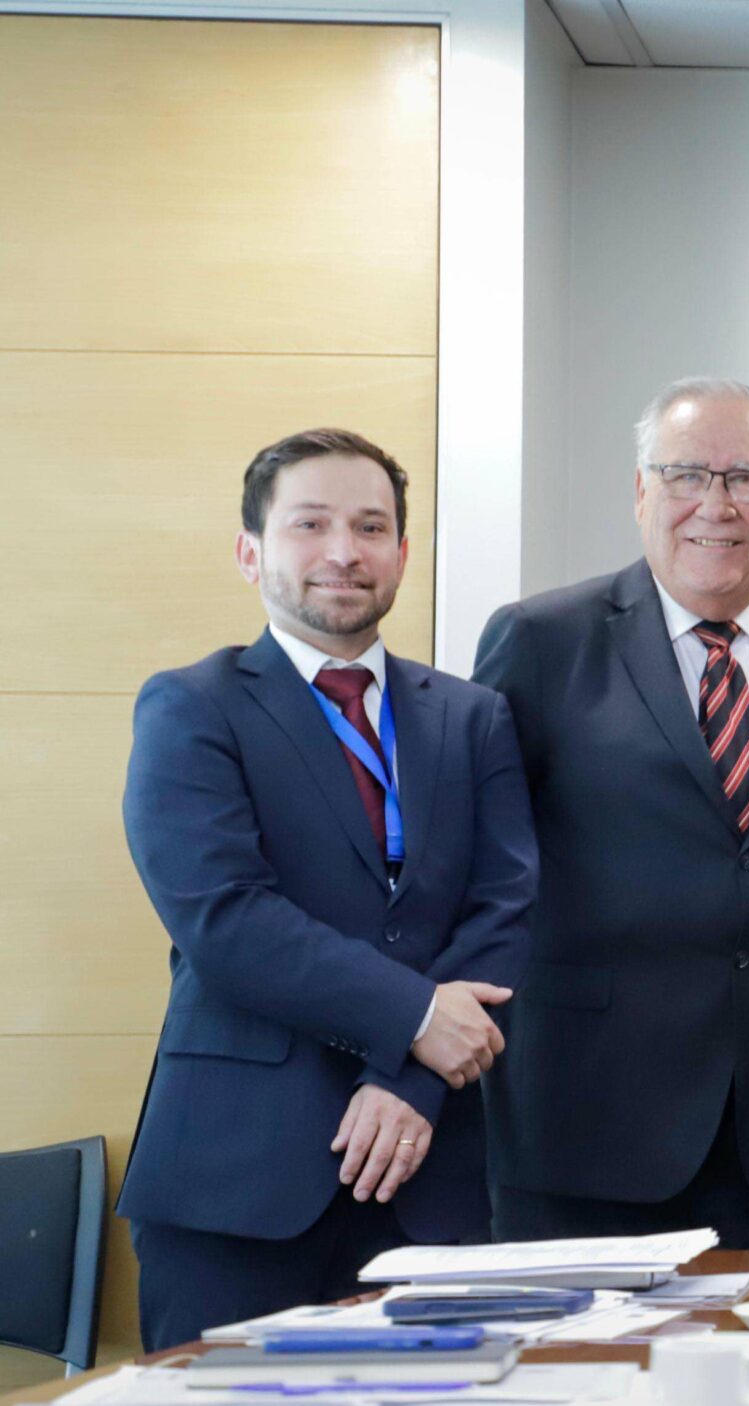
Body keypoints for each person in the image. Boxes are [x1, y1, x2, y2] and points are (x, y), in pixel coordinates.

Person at [120, 429, 536, 1349]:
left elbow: (504, 910)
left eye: (371, 527)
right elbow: (226, 920)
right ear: (250, 552)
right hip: (237, 1184)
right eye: (309, 524)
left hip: (433, 1180)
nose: (344, 551)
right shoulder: (193, 706)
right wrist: (415, 1018)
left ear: (403, 553)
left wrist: (411, 1081)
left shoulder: (473, 718)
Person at [473, 378, 749, 1248]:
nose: (717, 504)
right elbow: (484, 867)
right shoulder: (543, 641)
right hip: (584, 1119)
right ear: (641, 491)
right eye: (686, 475)